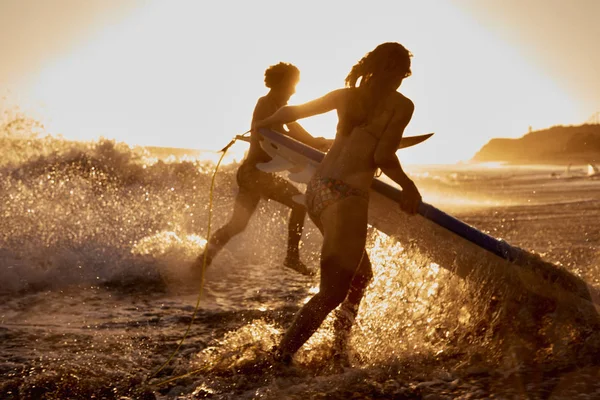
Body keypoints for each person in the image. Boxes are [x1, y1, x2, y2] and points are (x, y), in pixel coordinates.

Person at [252, 42, 422, 364]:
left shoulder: (345, 96)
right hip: (348, 198)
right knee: (332, 292)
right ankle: (280, 357)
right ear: (393, 71)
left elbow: (292, 113)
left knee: (360, 276)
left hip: (319, 191)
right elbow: (383, 156)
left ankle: (338, 349)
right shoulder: (401, 106)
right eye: (400, 74)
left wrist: (261, 125)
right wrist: (408, 187)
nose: (401, 80)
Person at [192, 62, 329, 276]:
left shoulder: (280, 107)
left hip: (253, 174)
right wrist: (311, 143)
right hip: (255, 173)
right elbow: (278, 133)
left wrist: (315, 142)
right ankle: (292, 257)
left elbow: (295, 129)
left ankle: (201, 263)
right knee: (299, 204)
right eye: (293, 84)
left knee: (237, 225)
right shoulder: (265, 103)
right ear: (282, 82)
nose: (294, 90)